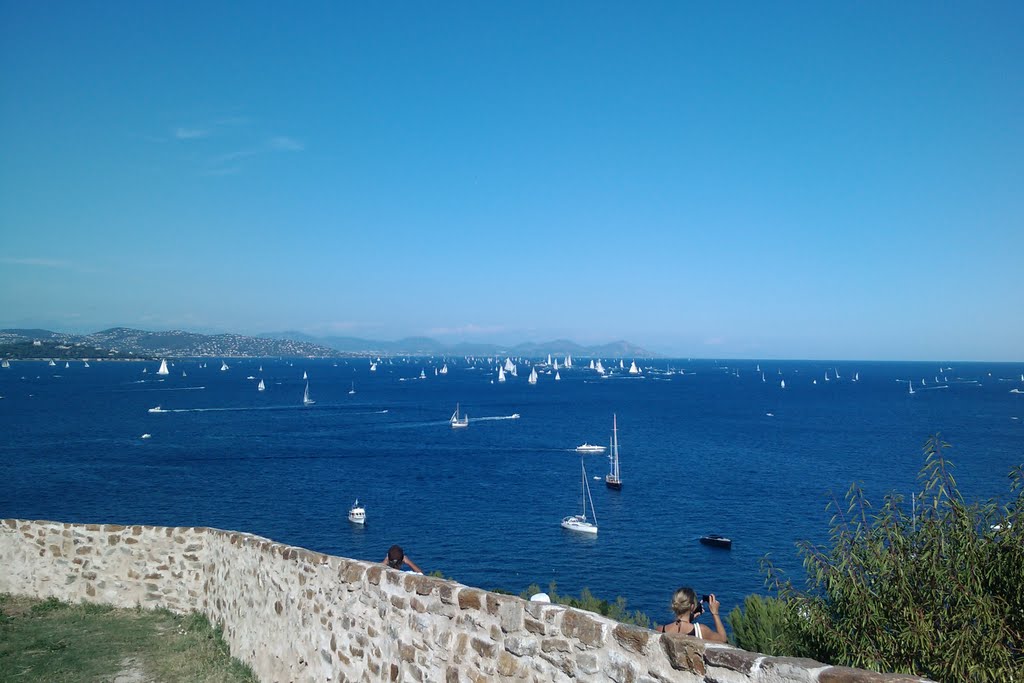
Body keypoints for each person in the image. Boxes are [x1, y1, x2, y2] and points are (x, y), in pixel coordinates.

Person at [656, 587, 727, 642]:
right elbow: (723, 639)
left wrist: (689, 619)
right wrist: (715, 613)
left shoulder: (660, 630)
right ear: (692, 607)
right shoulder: (701, 630)